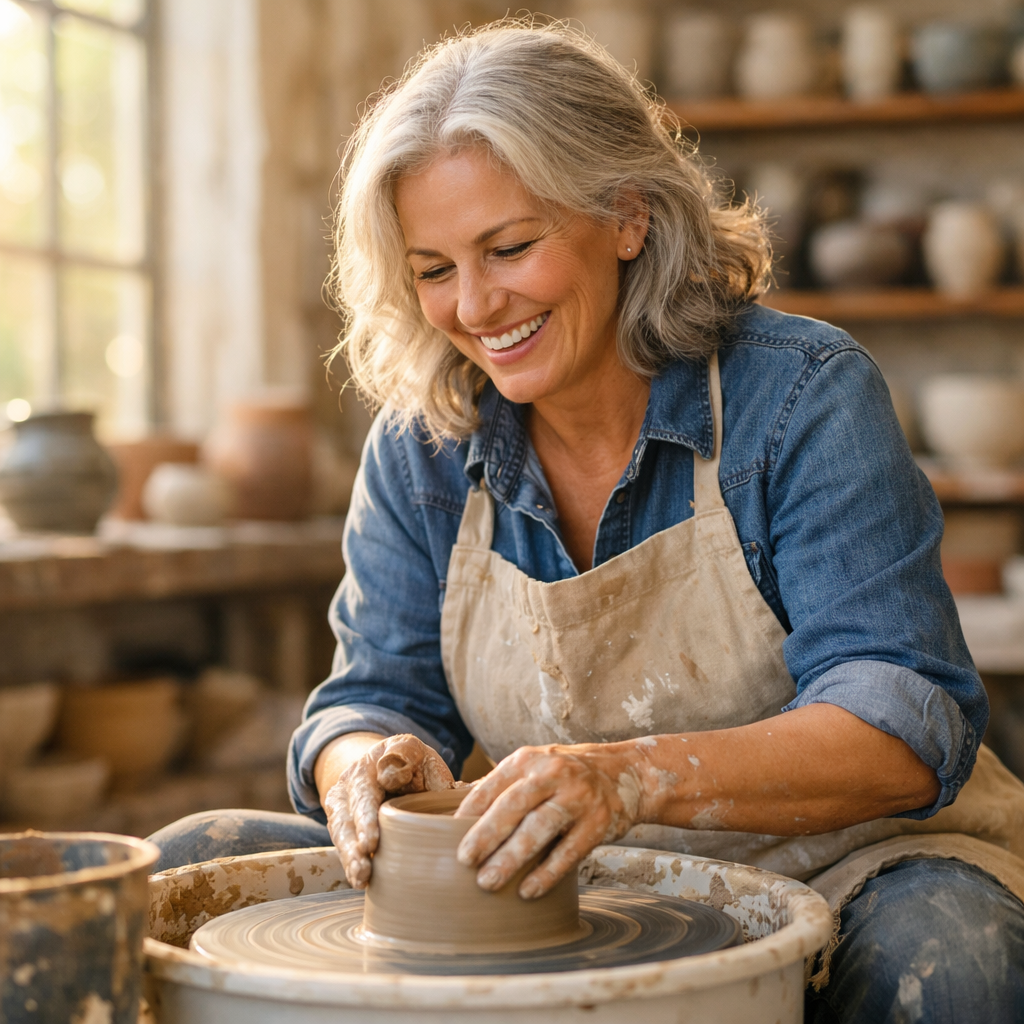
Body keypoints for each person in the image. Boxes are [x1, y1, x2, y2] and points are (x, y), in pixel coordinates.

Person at [150, 21, 1024, 1022]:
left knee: (954, 959)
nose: (474, 306)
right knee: (178, 866)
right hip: (562, 880)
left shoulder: (799, 399)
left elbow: (900, 725)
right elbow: (369, 699)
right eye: (433, 268)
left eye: (509, 247)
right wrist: (365, 763)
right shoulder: (423, 446)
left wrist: (629, 778)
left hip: (847, 866)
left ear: (627, 217)